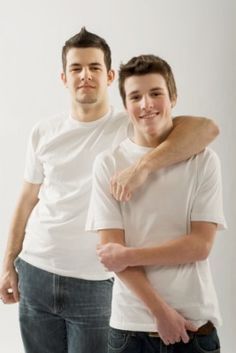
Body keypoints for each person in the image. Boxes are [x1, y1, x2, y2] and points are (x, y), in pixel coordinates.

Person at [0, 27, 219, 353]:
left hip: (95, 283)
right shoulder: (43, 131)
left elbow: (205, 129)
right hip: (36, 273)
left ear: (109, 76)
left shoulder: (131, 121)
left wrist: (142, 167)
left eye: (94, 67)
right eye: (76, 68)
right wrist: (8, 265)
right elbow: (27, 200)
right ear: (64, 78)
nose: (85, 75)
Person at [86, 54, 226, 353]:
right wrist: (161, 313)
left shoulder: (203, 160)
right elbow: (112, 255)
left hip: (195, 328)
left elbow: (200, 246)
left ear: (173, 97)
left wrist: (130, 254)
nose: (146, 104)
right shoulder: (107, 164)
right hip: (130, 332)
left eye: (156, 93)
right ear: (125, 106)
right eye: (135, 96)